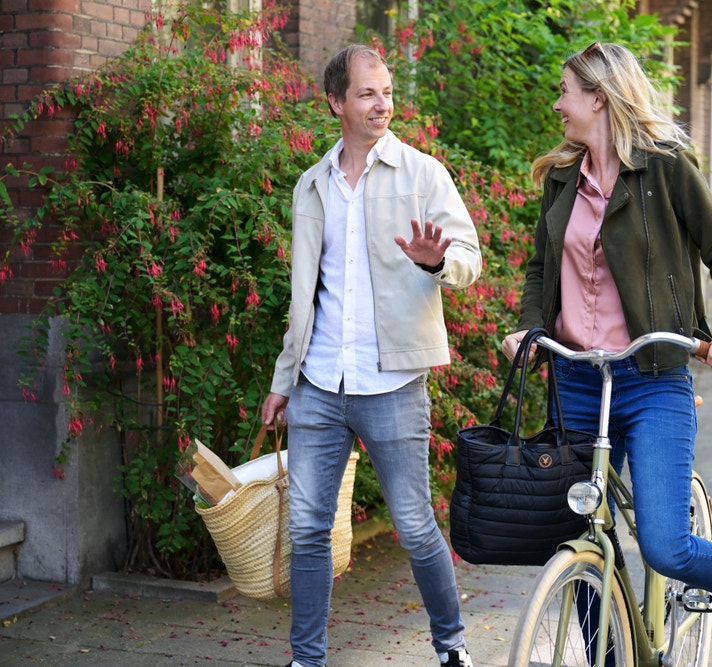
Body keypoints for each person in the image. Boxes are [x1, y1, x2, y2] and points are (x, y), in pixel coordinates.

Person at [501, 42, 712, 666]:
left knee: (666, 546)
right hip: (576, 376)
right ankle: (609, 656)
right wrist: (529, 329)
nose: (557, 104)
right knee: (577, 532)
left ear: (599, 98)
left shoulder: (665, 167)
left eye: (566, 92)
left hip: (652, 377)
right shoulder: (563, 178)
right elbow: (540, 270)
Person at [261, 44, 480, 667]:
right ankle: (306, 659)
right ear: (336, 102)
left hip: (393, 382)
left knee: (413, 525)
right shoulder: (311, 186)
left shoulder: (422, 174)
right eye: (367, 93)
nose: (382, 103)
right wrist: (284, 380)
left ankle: (452, 647)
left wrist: (438, 260)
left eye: (386, 91)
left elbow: (469, 258)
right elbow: (304, 296)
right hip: (318, 384)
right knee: (307, 530)